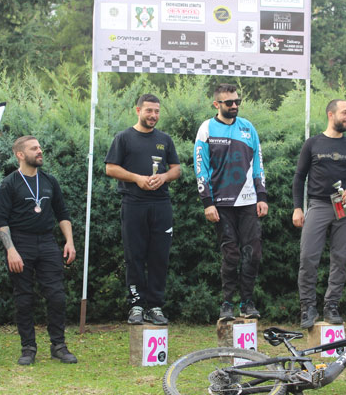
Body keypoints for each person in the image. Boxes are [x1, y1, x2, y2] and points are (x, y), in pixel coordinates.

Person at [0, 136, 77, 365]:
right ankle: (28, 348)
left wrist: (69, 241)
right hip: (20, 243)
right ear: (20, 154)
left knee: (57, 296)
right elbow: (1, 220)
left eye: (40, 147)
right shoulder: (9, 184)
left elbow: (62, 213)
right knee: (24, 298)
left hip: (47, 242)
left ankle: (58, 346)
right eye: (34, 148)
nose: (40, 151)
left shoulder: (49, 181)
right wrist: (11, 250)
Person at [105, 94, 181, 325]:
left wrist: (164, 177)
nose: (153, 115)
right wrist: (137, 178)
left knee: (159, 256)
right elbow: (110, 168)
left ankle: (155, 306)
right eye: (149, 111)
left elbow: (176, 169)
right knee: (134, 256)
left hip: (161, 204)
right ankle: (136, 305)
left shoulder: (165, 139)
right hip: (133, 204)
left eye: (157, 111)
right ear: (137, 110)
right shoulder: (123, 138)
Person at [194, 83, 267, 321]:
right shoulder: (206, 129)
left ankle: (247, 303)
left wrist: (262, 196)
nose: (234, 105)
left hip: (248, 202)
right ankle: (227, 303)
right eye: (229, 102)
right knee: (231, 255)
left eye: (237, 101)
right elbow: (200, 167)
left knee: (253, 254)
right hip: (221, 204)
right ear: (216, 104)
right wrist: (207, 202)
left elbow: (258, 163)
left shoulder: (248, 127)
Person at [294, 99, 346, 328]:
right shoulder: (313, 144)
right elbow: (299, 177)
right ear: (330, 114)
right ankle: (307, 308)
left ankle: (331, 306)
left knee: (340, 258)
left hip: (343, 207)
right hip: (318, 205)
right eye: (345, 113)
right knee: (308, 257)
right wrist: (297, 207)